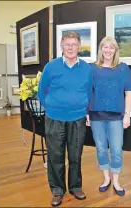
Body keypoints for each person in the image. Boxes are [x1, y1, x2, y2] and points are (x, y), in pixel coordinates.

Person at [38, 31, 93, 207]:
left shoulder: (86, 68)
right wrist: (51, 107)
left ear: (79, 47)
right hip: (54, 118)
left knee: (76, 154)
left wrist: (86, 111)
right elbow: (42, 90)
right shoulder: (51, 67)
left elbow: (89, 91)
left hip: (77, 118)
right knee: (55, 155)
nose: (70, 47)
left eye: (74, 44)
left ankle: (75, 186)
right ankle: (57, 190)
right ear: (61, 46)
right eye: (67, 44)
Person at [87, 36, 131, 196]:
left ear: (116, 50)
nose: (108, 50)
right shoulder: (91, 68)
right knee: (100, 149)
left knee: (116, 149)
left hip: (116, 117)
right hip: (96, 115)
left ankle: (116, 181)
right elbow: (87, 92)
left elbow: (129, 93)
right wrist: (87, 113)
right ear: (101, 49)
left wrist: (127, 115)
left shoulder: (123, 68)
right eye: (105, 47)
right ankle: (106, 178)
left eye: (111, 47)